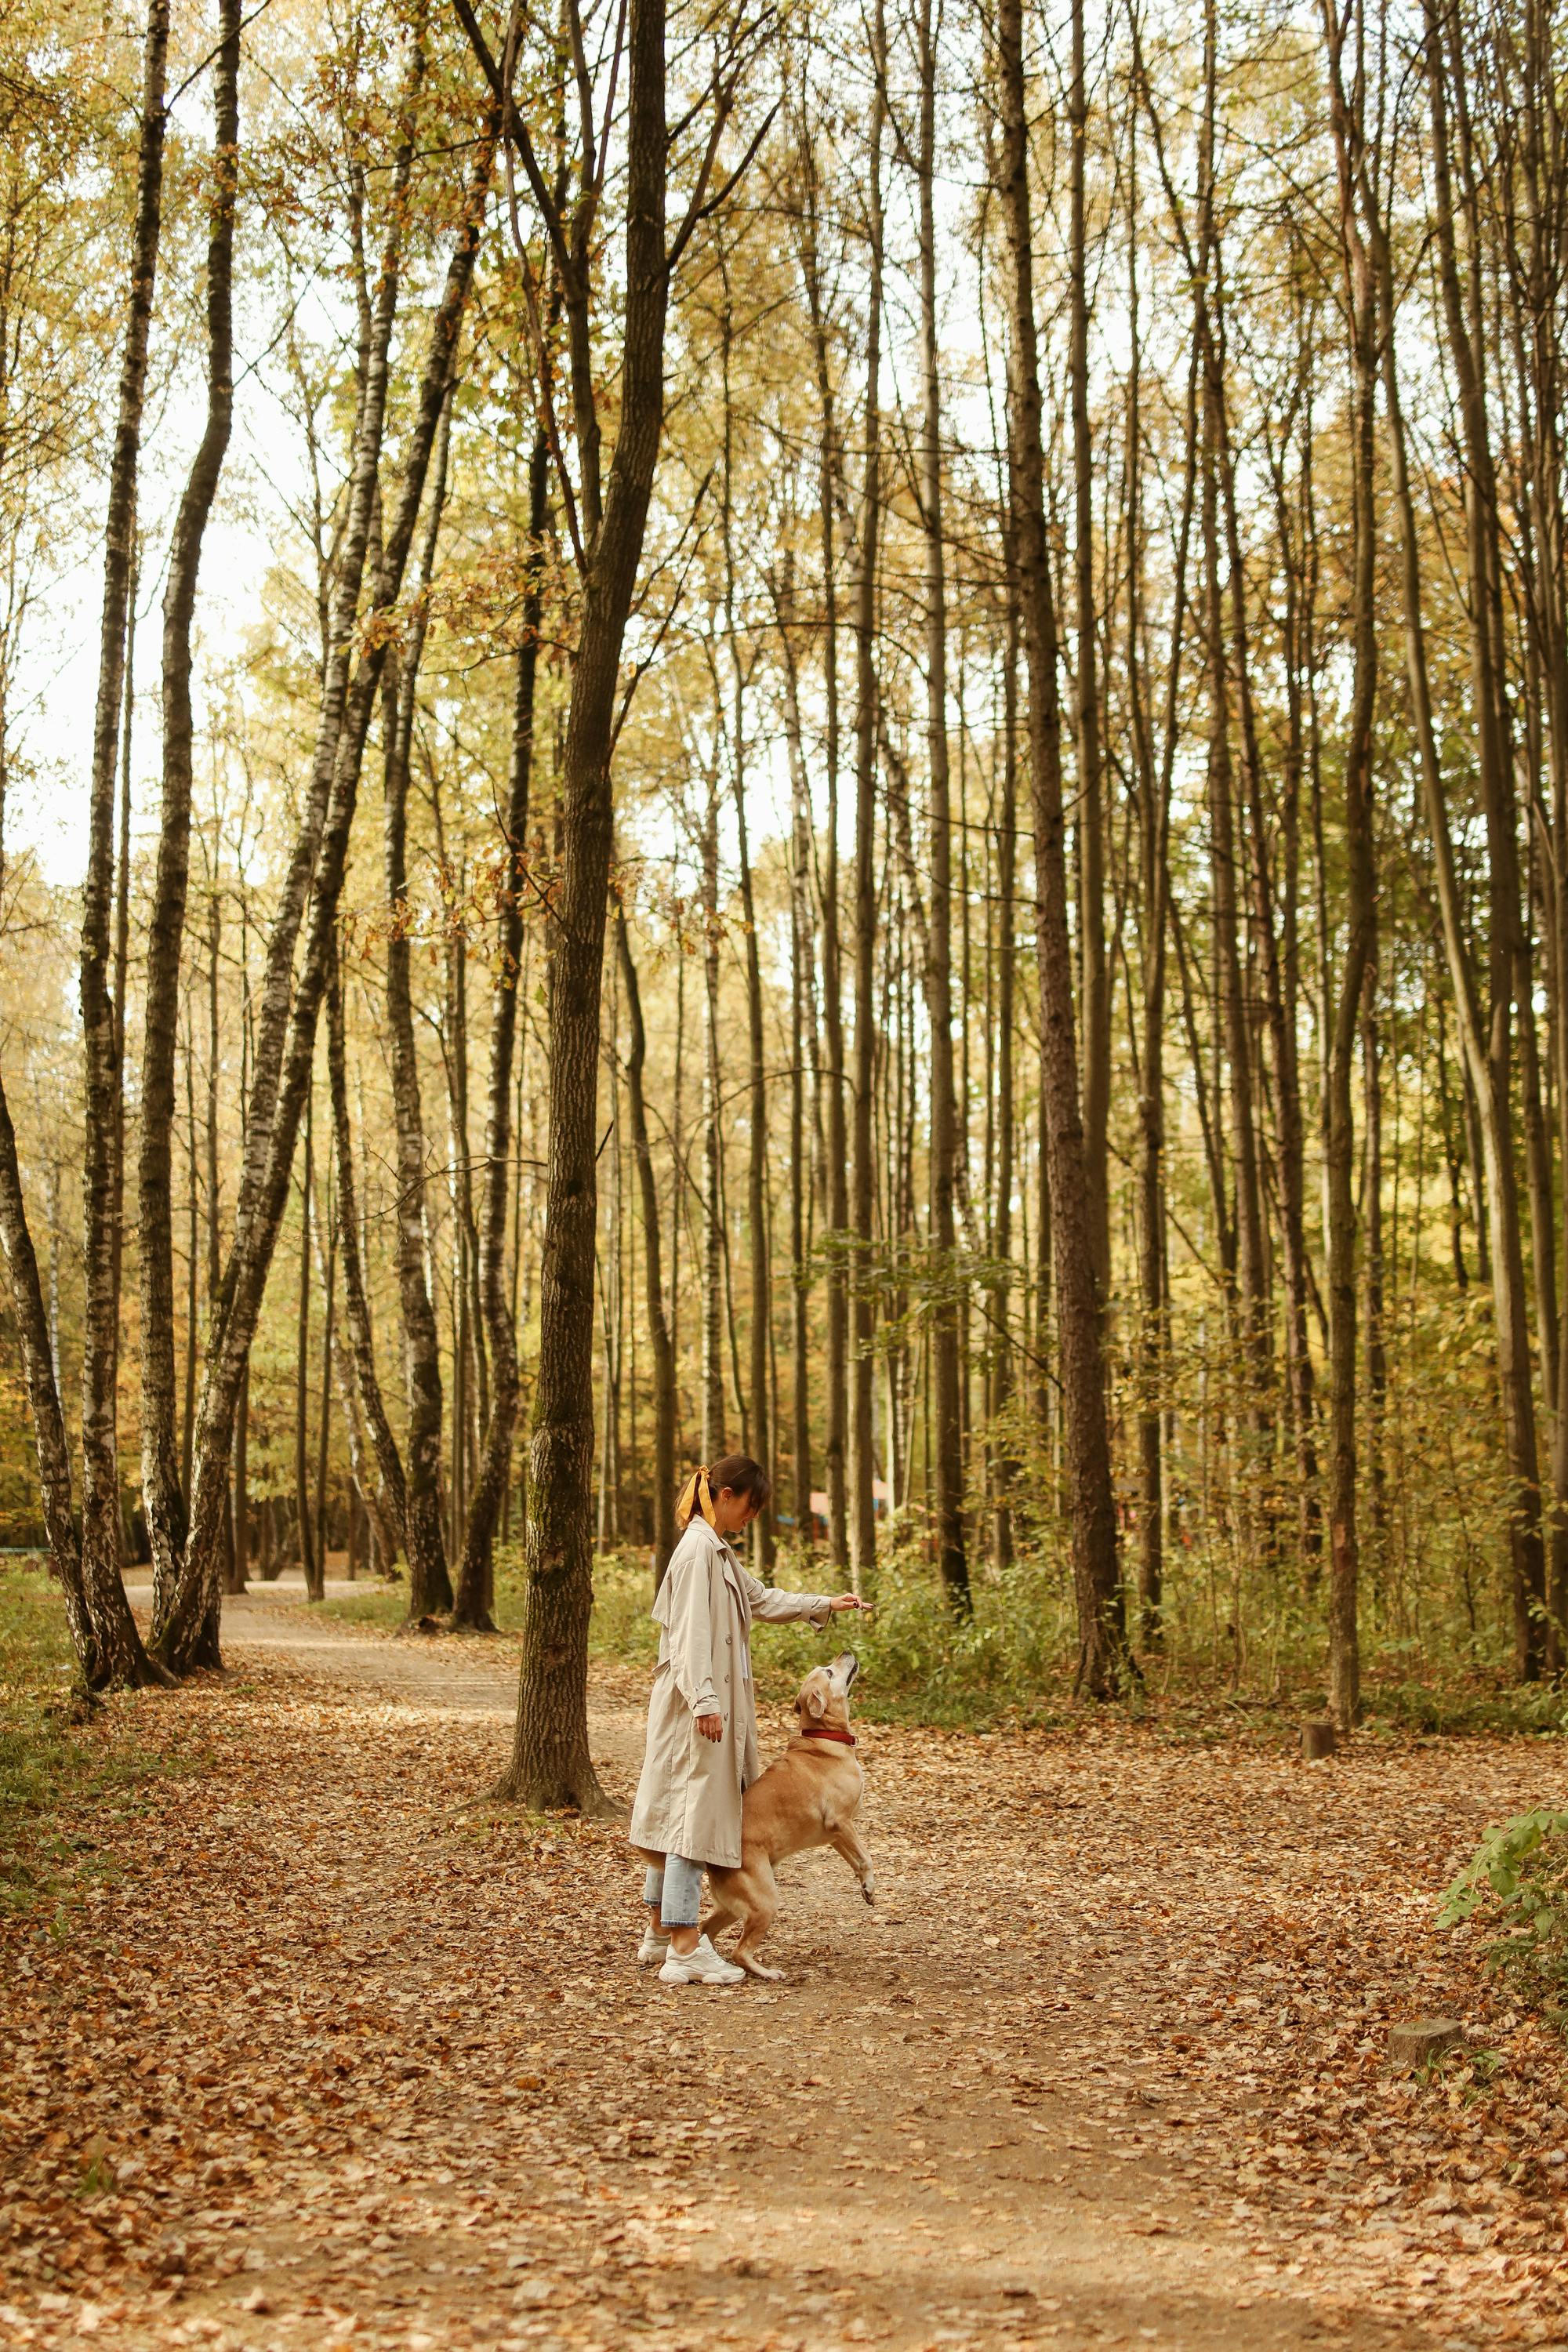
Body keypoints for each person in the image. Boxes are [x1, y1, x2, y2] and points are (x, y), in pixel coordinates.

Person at [629, 1454, 869, 1986]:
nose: (752, 1518)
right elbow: (689, 1637)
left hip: (709, 1705)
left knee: (681, 1817)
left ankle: (655, 1936)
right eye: (752, 1507)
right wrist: (705, 1702)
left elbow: (760, 1598)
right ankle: (685, 1948)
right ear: (727, 1494)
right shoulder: (697, 1553)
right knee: (697, 1824)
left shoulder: (717, 1551)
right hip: (699, 1709)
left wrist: (824, 1604)